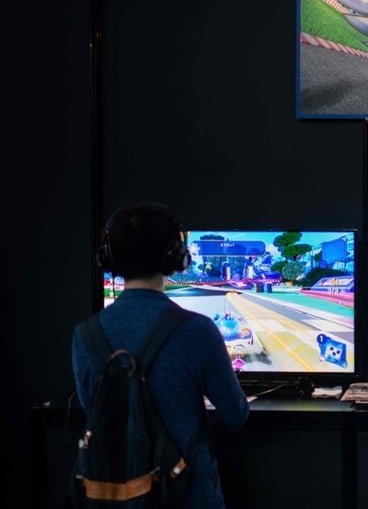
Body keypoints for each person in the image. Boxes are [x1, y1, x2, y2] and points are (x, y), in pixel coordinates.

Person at [71, 202, 250, 508]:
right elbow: (236, 415)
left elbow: (97, 409)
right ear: (176, 258)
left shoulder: (85, 334)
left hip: (112, 494)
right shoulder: (198, 330)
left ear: (108, 259)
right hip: (187, 493)